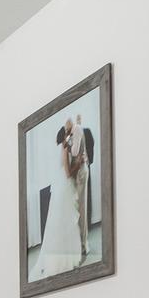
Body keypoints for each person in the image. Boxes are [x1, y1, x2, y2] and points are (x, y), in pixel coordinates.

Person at [35, 118, 90, 276]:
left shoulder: (60, 149)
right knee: (66, 221)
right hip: (65, 188)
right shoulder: (64, 150)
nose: (69, 136)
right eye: (67, 133)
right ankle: (65, 257)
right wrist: (78, 164)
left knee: (61, 221)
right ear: (64, 136)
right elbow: (67, 174)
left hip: (61, 188)